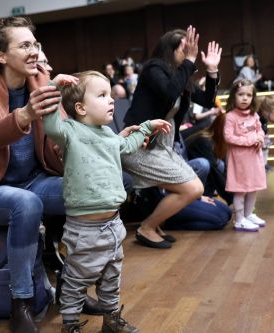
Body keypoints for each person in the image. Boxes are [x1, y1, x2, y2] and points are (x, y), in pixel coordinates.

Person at [0, 16, 79, 333]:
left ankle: (73, 291)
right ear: (1, 56)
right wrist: (26, 113)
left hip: (34, 181)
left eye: (35, 44)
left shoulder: (42, 81)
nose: (34, 52)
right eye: (25, 45)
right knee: (25, 204)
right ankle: (21, 304)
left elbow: (61, 139)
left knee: (84, 191)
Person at [43, 70, 170, 333]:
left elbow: (128, 145)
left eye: (111, 94)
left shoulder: (110, 135)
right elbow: (49, 120)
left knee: (112, 278)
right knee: (77, 280)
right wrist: (53, 86)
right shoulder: (69, 131)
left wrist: (147, 127)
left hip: (113, 225)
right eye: (102, 95)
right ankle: (70, 324)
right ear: (80, 107)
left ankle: (111, 321)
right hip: (84, 231)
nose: (111, 100)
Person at [121, 25, 227, 249]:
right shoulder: (153, 68)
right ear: (170, 50)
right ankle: (147, 228)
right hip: (140, 146)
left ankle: (155, 225)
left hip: (163, 147)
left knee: (194, 186)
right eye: (186, 48)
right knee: (193, 188)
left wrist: (212, 70)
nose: (191, 52)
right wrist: (189, 61)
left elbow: (207, 101)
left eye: (192, 49)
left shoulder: (181, 76)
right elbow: (169, 92)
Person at [223, 80, 266, 231]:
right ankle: (239, 219)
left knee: (253, 188)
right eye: (241, 94)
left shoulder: (254, 115)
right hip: (239, 160)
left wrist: (260, 137)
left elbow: (260, 130)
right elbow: (229, 137)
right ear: (233, 96)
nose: (245, 98)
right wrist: (251, 140)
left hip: (253, 158)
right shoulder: (230, 116)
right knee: (241, 189)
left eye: (249, 95)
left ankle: (248, 214)